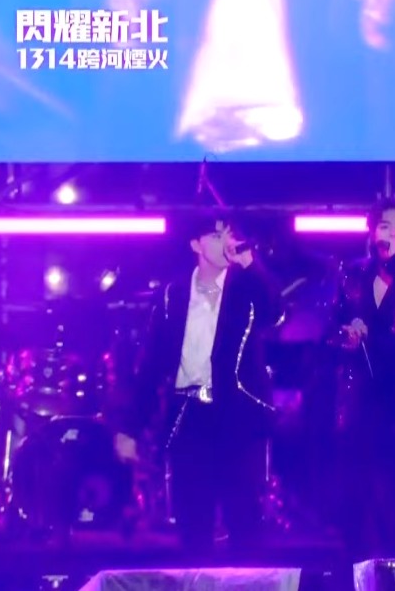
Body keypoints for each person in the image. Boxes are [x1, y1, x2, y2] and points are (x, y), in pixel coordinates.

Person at [109, 211, 283, 553]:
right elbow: (152, 364)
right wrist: (130, 428)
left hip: (236, 416)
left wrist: (250, 262)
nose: (226, 243)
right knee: (193, 525)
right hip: (190, 417)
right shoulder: (173, 295)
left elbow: (275, 312)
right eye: (216, 236)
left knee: (244, 524)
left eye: (229, 235)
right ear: (196, 244)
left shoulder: (245, 288)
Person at [332, 198, 395, 556]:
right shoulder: (353, 276)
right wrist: (347, 333)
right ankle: (358, 569)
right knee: (357, 497)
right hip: (358, 399)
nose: (392, 234)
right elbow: (330, 329)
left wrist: (371, 335)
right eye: (385, 226)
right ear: (372, 233)